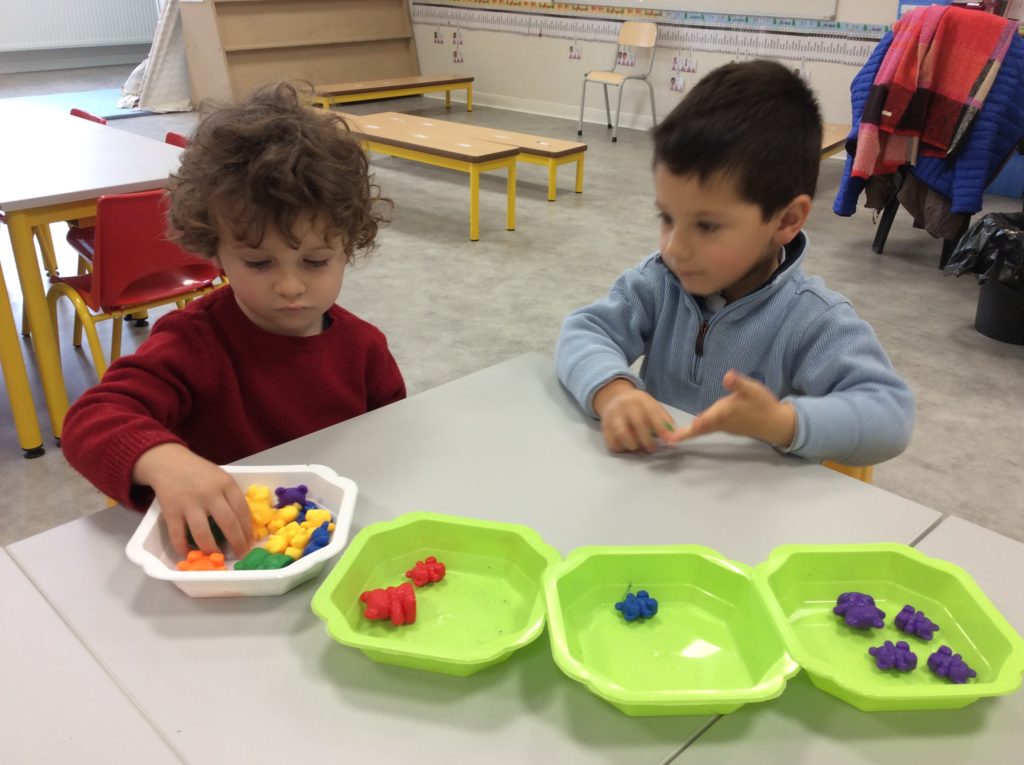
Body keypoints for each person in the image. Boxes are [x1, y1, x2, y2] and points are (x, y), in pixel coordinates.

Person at [62, 83, 406, 558]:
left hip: (336, 542)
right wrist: (162, 460)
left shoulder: (365, 349)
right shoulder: (193, 344)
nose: (290, 286)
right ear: (216, 253)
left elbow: (390, 445)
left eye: (315, 261)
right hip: (228, 549)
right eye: (259, 263)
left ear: (348, 248)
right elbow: (92, 420)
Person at [556, 60, 914, 466]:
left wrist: (784, 423)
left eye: (706, 226)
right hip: (658, 483)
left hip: (753, 499)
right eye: (667, 217)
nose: (675, 249)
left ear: (786, 221)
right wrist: (614, 390)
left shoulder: (812, 319)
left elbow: (891, 414)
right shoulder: (658, 282)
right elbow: (583, 331)